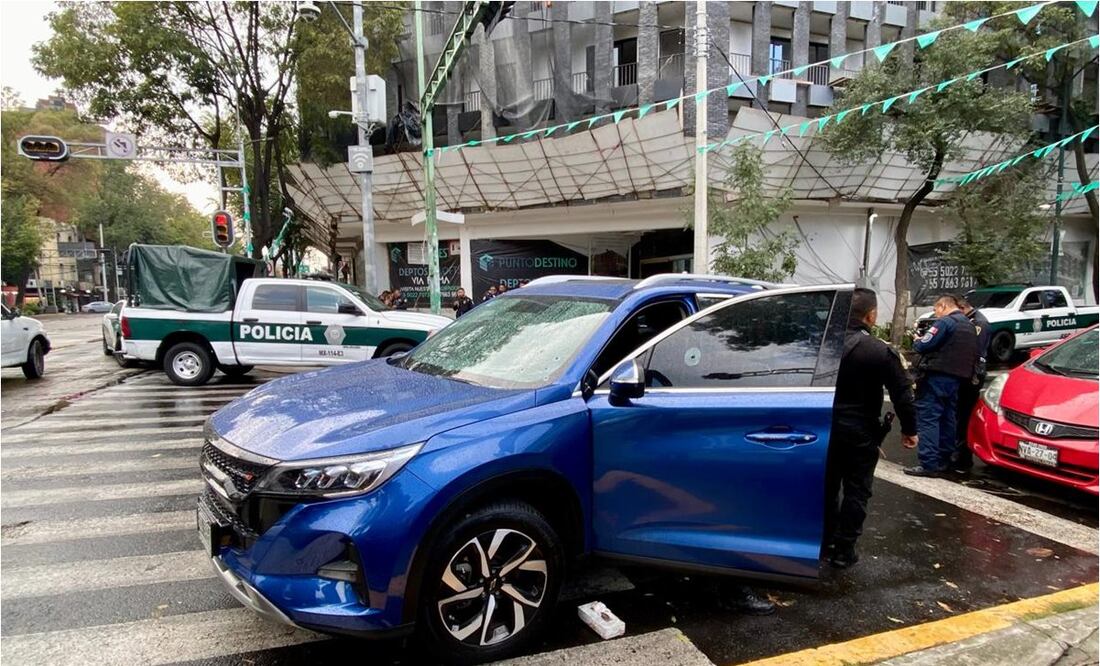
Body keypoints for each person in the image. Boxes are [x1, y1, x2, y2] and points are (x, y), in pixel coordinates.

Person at [825, 288, 918, 568]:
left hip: (823, 429)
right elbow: (902, 392)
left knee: (827, 487)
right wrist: (909, 430)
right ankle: (844, 550)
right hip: (860, 433)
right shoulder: (879, 350)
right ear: (871, 315)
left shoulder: (821, 345)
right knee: (857, 490)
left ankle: (825, 540)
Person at [905, 294, 978, 477]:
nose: (936, 313)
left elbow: (924, 346)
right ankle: (944, 460)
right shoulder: (968, 325)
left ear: (943, 306)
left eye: (936, 309)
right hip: (957, 378)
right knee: (948, 417)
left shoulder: (945, 323)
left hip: (936, 376)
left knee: (929, 418)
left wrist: (917, 340)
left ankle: (929, 463)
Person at [952, 298, 991, 473]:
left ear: (962, 308)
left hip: (972, 375)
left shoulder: (979, 323)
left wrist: (973, 376)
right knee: (958, 416)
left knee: (964, 416)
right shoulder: (970, 320)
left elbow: (976, 351)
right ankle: (957, 452)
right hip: (966, 373)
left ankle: (963, 456)